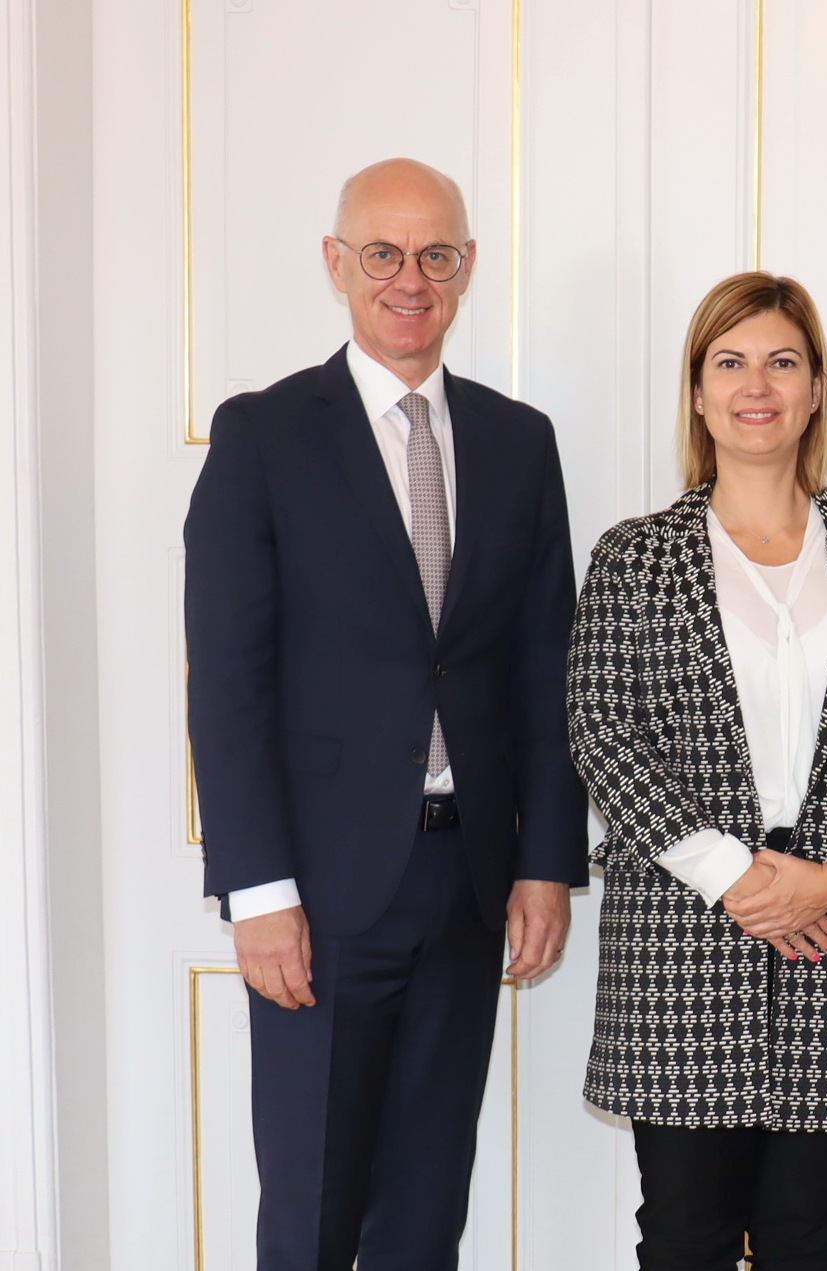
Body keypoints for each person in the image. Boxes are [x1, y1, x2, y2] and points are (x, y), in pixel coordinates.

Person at [184, 157, 587, 1271]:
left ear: (465, 269)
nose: (411, 280)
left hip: (466, 884)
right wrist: (258, 890)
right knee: (312, 1210)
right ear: (337, 263)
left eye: (436, 256)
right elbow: (227, 678)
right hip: (316, 894)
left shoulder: (518, 440)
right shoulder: (263, 434)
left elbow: (542, 664)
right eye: (384, 254)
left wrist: (544, 862)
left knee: (425, 1213)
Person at [567, 271, 827, 1271]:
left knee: (804, 1237)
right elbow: (601, 728)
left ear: (816, 388)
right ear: (696, 393)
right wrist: (732, 875)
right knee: (686, 1237)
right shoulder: (634, 558)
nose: (757, 384)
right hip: (683, 942)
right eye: (729, 361)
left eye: (782, 360)